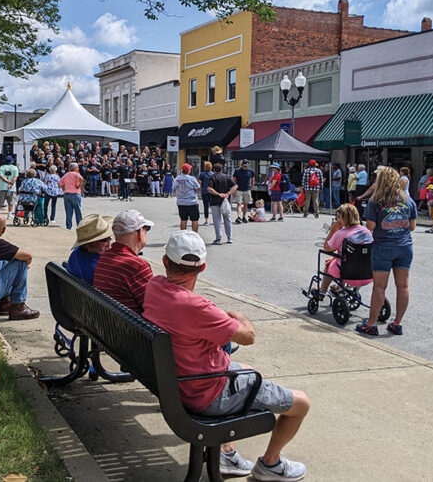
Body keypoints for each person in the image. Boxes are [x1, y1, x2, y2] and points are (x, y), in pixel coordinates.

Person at [143, 231, 310, 481]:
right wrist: (239, 316)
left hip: (177, 385)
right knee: (301, 403)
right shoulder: (197, 307)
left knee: (243, 367)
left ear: (166, 262)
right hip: (206, 396)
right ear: (203, 267)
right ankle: (271, 464)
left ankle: (226, 453)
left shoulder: (154, 287)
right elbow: (248, 336)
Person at [356, 167, 417, 337]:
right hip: (404, 246)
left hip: (383, 246)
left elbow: (370, 227)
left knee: (380, 286)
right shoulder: (408, 200)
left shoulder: (376, 201)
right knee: (403, 286)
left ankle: (372, 323)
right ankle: (397, 322)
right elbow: (412, 226)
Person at [93, 209, 154, 314]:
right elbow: (153, 307)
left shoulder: (104, 257)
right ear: (139, 233)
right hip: (132, 328)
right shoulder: (137, 266)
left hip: (108, 322)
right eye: (146, 229)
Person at [313, 204, 373, 297]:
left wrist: (332, 230)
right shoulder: (367, 232)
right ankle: (339, 287)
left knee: (330, 264)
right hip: (366, 273)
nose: (337, 220)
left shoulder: (341, 233)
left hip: (347, 273)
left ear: (345, 218)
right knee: (339, 259)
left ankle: (322, 292)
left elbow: (326, 248)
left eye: (339, 217)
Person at [66, 214, 113, 285]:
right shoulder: (99, 269)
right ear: (90, 244)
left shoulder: (76, 253)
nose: (110, 239)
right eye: (105, 239)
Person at [207, 162, 236, 244]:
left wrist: (218, 194)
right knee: (227, 219)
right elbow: (235, 186)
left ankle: (218, 238)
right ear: (222, 169)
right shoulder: (227, 177)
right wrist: (228, 193)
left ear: (214, 170)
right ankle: (229, 238)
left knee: (217, 220)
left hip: (215, 201)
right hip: (226, 201)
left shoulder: (212, 177)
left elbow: (209, 189)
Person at [174, 163, 201, 232]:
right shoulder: (192, 178)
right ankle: (195, 235)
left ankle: (182, 235)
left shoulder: (177, 178)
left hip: (181, 202)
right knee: (194, 219)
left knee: (183, 219)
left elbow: (174, 189)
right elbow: (198, 188)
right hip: (192, 202)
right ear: (188, 170)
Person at [59, 162, 84, 230]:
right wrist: (78, 185)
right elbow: (81, 179)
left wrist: (64, 189)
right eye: (77, 167)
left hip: (67, 194)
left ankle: (68, 227)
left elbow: (60, 183)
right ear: (75, 168)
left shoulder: (66, 174)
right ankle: (79, 226)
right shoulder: (76, 174)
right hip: (75, 193)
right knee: (78, 211)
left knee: (68, 212)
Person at [232, 160, 254, 224]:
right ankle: (239, 217)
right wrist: (233, 190)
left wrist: (251, 188)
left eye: (246, 166)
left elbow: (253, 179)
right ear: (241, 165)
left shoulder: (251, 171)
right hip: (239, 189)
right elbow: (233, 180)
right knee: (239, 203)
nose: (245, 167)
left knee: (245, 204)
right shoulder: (237, 171)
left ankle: (244, 217)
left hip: (247, 189)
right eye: (244, 166)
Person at [197, 161, 213, 226]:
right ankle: (215, 219)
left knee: (206, 206)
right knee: (213, 206)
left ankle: (206, 220)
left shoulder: (202, 174)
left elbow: (199, 182)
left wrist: (200, 187)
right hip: (211, 192)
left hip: (204, 191)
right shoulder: (213, 174)